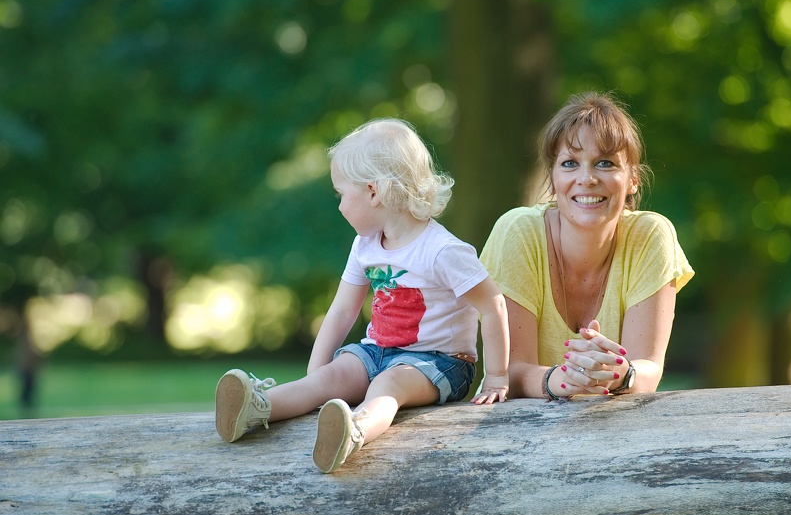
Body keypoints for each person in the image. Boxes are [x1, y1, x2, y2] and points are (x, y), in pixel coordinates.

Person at [215, 118, 509, 472]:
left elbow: (492, 306)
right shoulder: (365, 245)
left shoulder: (443, 251)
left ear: (373, 191)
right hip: (376, 351)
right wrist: (317, 377)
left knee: (389, 383)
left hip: (440, 362)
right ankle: (256, 407)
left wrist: (496, 376)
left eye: (342, 194)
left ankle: (355, 430)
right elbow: (341, 312)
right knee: (331, 376)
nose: (339, 206)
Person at [479, 91, 693, 401]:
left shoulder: (651, 237)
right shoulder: (518, 233)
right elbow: (508, 372)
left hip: (616, 429)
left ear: (633, 179)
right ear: (552, 181)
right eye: (570, 163)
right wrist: (562, 380)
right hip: (515, 432)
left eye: (605, 163)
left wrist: (620, 372)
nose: (587, 178)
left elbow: (648, 367)